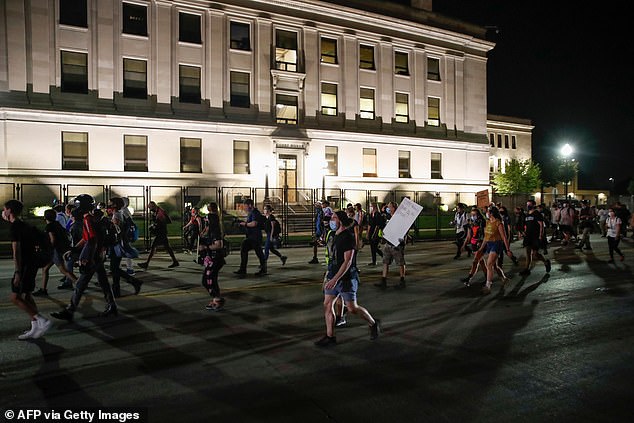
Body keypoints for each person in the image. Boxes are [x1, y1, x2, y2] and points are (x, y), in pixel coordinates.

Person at [315, 211, 380, 347]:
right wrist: (328, 275)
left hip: (346, 278)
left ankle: (373, 323)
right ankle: (330, 336)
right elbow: (332, 257)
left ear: (341, 221)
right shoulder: (333, 235)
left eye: (334, 218)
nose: (331, 221)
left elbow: (347, 262)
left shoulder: (348, 237)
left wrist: (335, 280)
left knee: (352, 308)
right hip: (332, 275)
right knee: (327, 304)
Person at [51, 194, 118, 321]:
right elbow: (86, 238)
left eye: (76, 205)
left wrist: (86, 258)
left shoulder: (87, 219)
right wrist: (74, 249)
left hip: (93, 257)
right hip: (98, 256)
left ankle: (70, 311)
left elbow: (92, 239)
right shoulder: (91, 218)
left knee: (80, 285)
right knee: (103, 282)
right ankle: (112, 305)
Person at [2, 200, 52, 340]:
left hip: (24, 265)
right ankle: (35, 327)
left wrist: (17, 272)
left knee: (15, 297)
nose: (3, 212)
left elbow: (16, 251)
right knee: (27, 295)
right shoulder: (24, 225)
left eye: (4, 209)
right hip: (32, 263)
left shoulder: (15, 228)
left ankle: (42, 321)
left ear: (9, 211)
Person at [32, 209, 78, 296]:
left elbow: (53, 240)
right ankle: (43, 289)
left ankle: (79, 284)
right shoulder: (57, 224)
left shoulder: (49, 226)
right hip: (59, 250)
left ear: (45, 217)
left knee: (63, 270)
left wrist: (47, 248)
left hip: (55, 251)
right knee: (45, 269)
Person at [107, 197, 142, 298]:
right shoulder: (117, 214)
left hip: (116, 244)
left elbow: (117, 231)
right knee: (114, 268)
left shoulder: (117, 215)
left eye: (111, 203)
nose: (109, 204)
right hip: (115, 244)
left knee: (114, 268)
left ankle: (134, 281)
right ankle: (116, 290)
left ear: (115, 205)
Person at [480, 206, 514, 294]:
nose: (486, 213)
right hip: (489, 245)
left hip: (496, 244)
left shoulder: (499, 223)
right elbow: (486, 237)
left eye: (488, 212)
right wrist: (481, 248)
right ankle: (504, 278)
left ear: (491, 213)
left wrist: (507, 249)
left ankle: (488, 286)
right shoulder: (488, 222)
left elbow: (504, 237)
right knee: (494, 266)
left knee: (489, 264)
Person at [375, 202, 407, 289]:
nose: (387, 208)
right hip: (388, 243)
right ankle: (383, 280)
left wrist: (402, 239)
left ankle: (402, 280)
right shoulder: (387, 217)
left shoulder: (399, 218)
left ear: (394, 208)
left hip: (396, 244)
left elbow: (404, 229)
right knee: (385, 262)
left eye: (389, 207)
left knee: (400, 262)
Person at [139, 201, 179, 269]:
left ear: (153, 206)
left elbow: (162, 222)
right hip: (162, 232)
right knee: (167, 247)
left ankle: (146, 264)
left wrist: (154, 226)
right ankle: (175, 261)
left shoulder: (160, 213)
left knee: (153, 246)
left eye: (150, 208)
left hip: (161, 233)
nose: (150, 209)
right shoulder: (157, 211)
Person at [200, 210, 227, 311]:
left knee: (208, 280)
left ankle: (217, 300)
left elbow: (218, 244)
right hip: (211, 259)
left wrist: (206, 247)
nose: (206, 223)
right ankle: (216, 299)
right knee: (208, 280)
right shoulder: (209, 230)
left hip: (216, 259)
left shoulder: (215, 231)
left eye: (207, 221)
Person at [234, 198, 267, 277]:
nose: (244, 208)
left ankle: (263, 269)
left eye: (245, 206)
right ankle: (243, 269)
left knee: (257, 252)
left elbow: (254, 223)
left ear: (250, 205)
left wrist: (245, 224)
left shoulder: (255, 213)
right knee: (245, 249)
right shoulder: (251, 213)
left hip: (255, 237)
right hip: (251, 236)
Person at [519, 199, 552, 276]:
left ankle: (546, 262)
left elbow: (541, 225)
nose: (528, 206)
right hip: (528, 236)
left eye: (529, 204)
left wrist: (541, 235)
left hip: (535, 236)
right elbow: (526, 225)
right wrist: (523, 232)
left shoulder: (537, 213)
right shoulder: (527, 214)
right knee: (528, 253)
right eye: (527, 204)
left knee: (535, 254)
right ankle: (526, 269)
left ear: (533, 205)